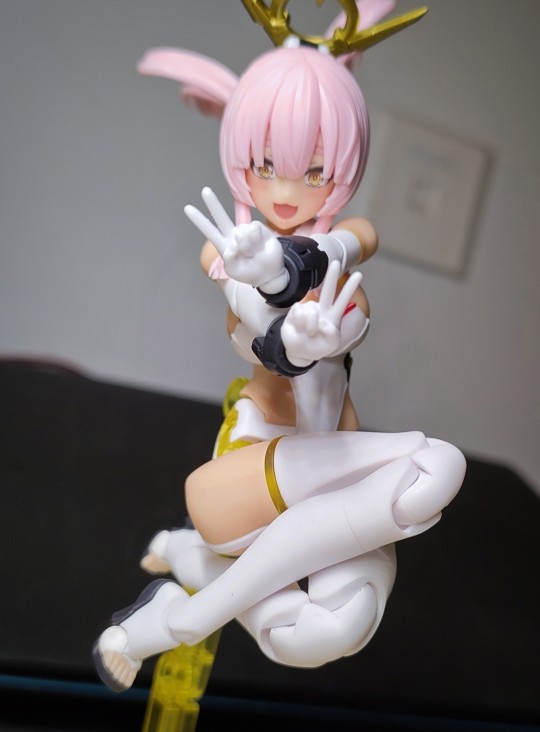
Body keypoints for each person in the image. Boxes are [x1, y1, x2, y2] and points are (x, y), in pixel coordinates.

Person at [94, 1, 466, 692]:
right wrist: (277, 306)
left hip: (336, 463)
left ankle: (179, 606)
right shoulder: (228, 249)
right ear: (242, 157)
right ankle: (187, 574)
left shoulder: (342, 246)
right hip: (252, 470)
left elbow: (343, 255)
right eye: (266, 166)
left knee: (327, 634)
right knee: (438, 464)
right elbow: (254, 315)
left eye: (315, 172)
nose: (287, 192)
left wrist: (311, 296)